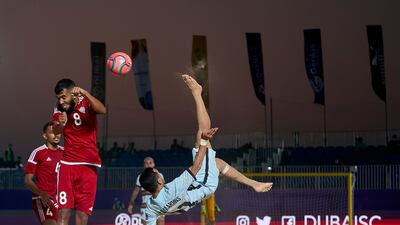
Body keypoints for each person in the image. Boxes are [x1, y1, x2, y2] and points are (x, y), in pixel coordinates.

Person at [139, 75, 273, 225]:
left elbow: (147, 222)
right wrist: (204, 139)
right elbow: (196, 166)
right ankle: (197, 92)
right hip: (204, 183)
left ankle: (254, 184)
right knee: (201, 134)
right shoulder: (173, 189)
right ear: (159, 181)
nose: (157, 171)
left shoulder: (151, 207)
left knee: (218, 163)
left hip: (200, 189)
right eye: (157, 173)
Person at [52, 78, 106, 225]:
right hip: (67, 165)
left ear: (73, 93)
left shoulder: (86, 101)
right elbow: (56, 132)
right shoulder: (59, 108)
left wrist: (84, 92)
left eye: (64, 97)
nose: (61, 101)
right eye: (58, 98)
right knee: (64, 212)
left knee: (83, 215)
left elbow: (102, 110)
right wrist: (61, 125)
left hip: (89, 165)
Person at [24, 122, 64, 225]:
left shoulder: (65, 153)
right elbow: (27, 180)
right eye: (52, 132)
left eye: (58, 132)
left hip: (60, 199)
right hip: (43, 198)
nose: (56, 135)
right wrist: (42, 194)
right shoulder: (38, 152)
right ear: (45, 136)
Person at [128, 157, 165, 225]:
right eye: (146, 163)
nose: (148, 165)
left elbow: (164, 190)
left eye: (150, 163)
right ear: (144, 165)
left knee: (160, 221)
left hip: (158, 206)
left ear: (154, 164)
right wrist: (131, 204)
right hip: (145, 207)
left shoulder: (159, 175)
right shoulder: (140, 177)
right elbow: (136, 191)